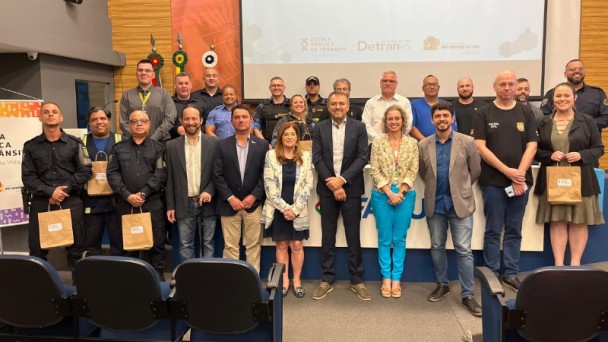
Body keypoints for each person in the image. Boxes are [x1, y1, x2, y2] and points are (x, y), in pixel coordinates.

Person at [473, 70, 538, 290]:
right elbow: (480, 146)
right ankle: (491, 273)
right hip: (492, 181)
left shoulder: (526, 112)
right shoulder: (483, 112)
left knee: (514, 229)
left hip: (521, 182)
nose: (507, 88)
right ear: (494, 87)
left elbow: (532, 145)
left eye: (511, 84)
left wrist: (519, 175)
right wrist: (507, 172)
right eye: (503, 84)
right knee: (493, 228)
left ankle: (510, 273)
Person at [418, 102, 482, 317]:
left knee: (464, 250)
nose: (442, 119)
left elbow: (475, 170)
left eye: (446, 115)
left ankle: (468, 295)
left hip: (460, 204)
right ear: (431, 120)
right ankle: (442, 285)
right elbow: (423, 172)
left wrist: (460, 190)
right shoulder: (424, 144)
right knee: (436, 246)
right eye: (438, 116)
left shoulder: (468, 141)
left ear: (452, 119)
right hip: (435, 204)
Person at [535, 82, 605, 266]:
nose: (562, 99)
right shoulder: (543, 122)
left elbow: (598, 149)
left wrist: (582, 155)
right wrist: (549, 155)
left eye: (566, 95)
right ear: (552, 99)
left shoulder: (587, 121)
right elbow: (535, 151)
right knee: (557, 221)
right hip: (553, 179)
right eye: (558, 96)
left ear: (575, 98)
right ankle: (559, 265)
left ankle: (575, 264)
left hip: (581, 178)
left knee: (578, 221)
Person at [311, 91, 371, 300]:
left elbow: (363, 157)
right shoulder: (319, 128)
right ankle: (327, 279)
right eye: (334, 104)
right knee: (328, 236)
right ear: (328, 107)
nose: (337, 107)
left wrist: (342, 180)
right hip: (327, 189)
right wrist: (333, 183)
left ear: (347, 106)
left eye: (341, 104)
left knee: (353, 235)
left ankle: (357, 280)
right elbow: (316, 158)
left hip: (352, 189)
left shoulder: (359, 127)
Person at [21, 102, 92, 268]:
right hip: (41, 202)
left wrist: (63, 191)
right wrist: (50, 192)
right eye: (46, 112)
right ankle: (39, 289)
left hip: (70, 201)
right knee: (37, 250)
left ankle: (78, 289)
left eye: (54, 112)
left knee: (76, 248)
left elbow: (86, 170)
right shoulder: (30, 146)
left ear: (61, 117)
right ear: (40, 117)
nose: (50, 114)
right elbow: (28, 177)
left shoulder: (75, 144)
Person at [107, 110, 167, 279]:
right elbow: (112, 174)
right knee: (128, 243)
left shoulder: (159, 148)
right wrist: (127, 195)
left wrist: (143, 193)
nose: (139, 124)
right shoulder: (118, 148)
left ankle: (158, 279)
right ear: (129, 125)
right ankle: (130, 279)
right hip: (126, 203)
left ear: (149, 124)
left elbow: (161, 173)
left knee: (156, 242)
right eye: (135, 121)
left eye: (143, 121)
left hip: (151, 202)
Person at [369, 104, 418, 299]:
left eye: (397, 118)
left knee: (399, 239)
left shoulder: (412, 143)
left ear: (403, 120)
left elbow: (413, 169)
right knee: (384, 239)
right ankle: (386, 278)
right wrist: (389, 192)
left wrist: (401, 191)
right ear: (385, 121)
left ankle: (396, 279)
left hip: (405, 195)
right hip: (382, 194)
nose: (394, 121)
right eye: (390, 119)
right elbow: (374, 170)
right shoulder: (378, 143)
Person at [213, 104, 269, 272]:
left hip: (253, 205)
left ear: (251, 120)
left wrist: (255, 195)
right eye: (236, 117)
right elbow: (217, 175)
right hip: (229, 205)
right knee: (230, 247)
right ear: (231, 122)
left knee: (254, 246)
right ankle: (232, 282)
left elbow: (265, 175)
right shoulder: (221, 145)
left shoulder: (262, 145)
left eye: (244, 117)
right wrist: (230, 198)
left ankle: (252, 283)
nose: (241, 120)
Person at [262, 122, 314, 298]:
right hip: (279, 208)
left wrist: (296, 209)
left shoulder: (306, 156)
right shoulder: (271, 156)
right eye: (286, 134)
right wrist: (285, 208)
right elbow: (269, 185)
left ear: (297, 137)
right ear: (280, 137)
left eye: (292, 134)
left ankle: (296, 281)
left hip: (298, 208)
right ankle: (284, 281)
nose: (289, 137)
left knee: (297, 245)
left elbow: (309, 184)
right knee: (282, 244)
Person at [166, 105, 219, 262]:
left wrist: (210, 190)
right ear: (181, 121)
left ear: (201, 120)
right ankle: (188, 279)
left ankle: (208, 278)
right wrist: (170, 205)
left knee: (208, 243)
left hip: (208, 202)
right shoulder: (171, 146)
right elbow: (169, 178)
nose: (191, 122)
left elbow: (219, 173)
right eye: (187, 119)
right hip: (184, 202)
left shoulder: (214, 143)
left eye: (194, 118)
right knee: (185, 244)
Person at [80, 107, 124, 256]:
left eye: (103, 118)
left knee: (119, 245)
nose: (99, 122)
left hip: (116, 202)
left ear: (109, 120)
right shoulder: (80, 143)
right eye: (94, 119)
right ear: (89, 123)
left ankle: (118, 277)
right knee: (91, 245)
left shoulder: (121, 140)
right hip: (90, 203)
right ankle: (95, 278)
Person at [541, 59, 608, 131]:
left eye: (580, 69)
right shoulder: (553, 93)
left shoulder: (597, 93)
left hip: (590, 139)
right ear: (565, 73)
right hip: (559, 137)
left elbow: (606, 117)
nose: (577, 71)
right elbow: (543, 117)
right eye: (572, 69)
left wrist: (585, 124)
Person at [119, 59, 177, 141]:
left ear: (153, 75)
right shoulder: (127, 95)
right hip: (134, 145)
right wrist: (137, 139)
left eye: (147, 70)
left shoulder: (164, 94)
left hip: (160, 143)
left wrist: (153, 140)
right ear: (136, 73)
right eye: (140, 70)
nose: (143, 73)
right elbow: (123, 122)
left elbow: (169, 119)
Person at [362, 71, 412, 144]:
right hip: (375, 145)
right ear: (380, 83)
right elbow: (366, 124)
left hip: (400, 145)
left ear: (396, 84)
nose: (388, 83)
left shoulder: (404, 102)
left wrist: (396, 140)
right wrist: (379, 142)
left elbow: (407, 124)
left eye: (391, 81)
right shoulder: (371, 102)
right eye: (385, 81)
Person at [410, 75, 455, 140]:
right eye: (428, 85)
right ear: (423, 88)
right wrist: (426, 142)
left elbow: (453, 126)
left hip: (446, 144)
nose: (431, 87)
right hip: (422, 145)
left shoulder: (447, 105)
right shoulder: (414, 104)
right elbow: (411, 127)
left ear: (438, 88)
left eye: (434, 84)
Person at [254, 76, 291, 142]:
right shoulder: (262, 106)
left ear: (284, 88)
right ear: (270, 88)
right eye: (274, 85)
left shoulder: (292, 105)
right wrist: (265, 144)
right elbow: (255, 128)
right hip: (267, 145)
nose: (276, 88)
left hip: (289, 144)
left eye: (279, 85)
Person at [170, 72, 205, 139]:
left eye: (186, 83)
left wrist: (194, 129)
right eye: (180, 83)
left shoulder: (201, 103)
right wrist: (176, 129)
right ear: (175, 86)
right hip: (174, 142)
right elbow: (163, 123)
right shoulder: (168, 103)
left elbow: (206, 124)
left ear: (191, 85)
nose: (184, 86)